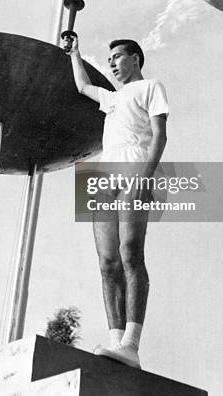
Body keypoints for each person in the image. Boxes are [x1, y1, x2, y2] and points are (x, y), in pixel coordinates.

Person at [67, 37, 168, 369]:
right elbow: (82, 86)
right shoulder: (110, 98)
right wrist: (75, 54)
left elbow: (160, 134)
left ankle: (131, 345)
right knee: (107, 263)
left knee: (130, 253)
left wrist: (146, 176)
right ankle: (114, 344)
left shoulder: (151, 87)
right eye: (109, 59)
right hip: (103, 176)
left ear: (135, 59)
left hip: (135, 169)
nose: (111, 63)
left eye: (117, 57)